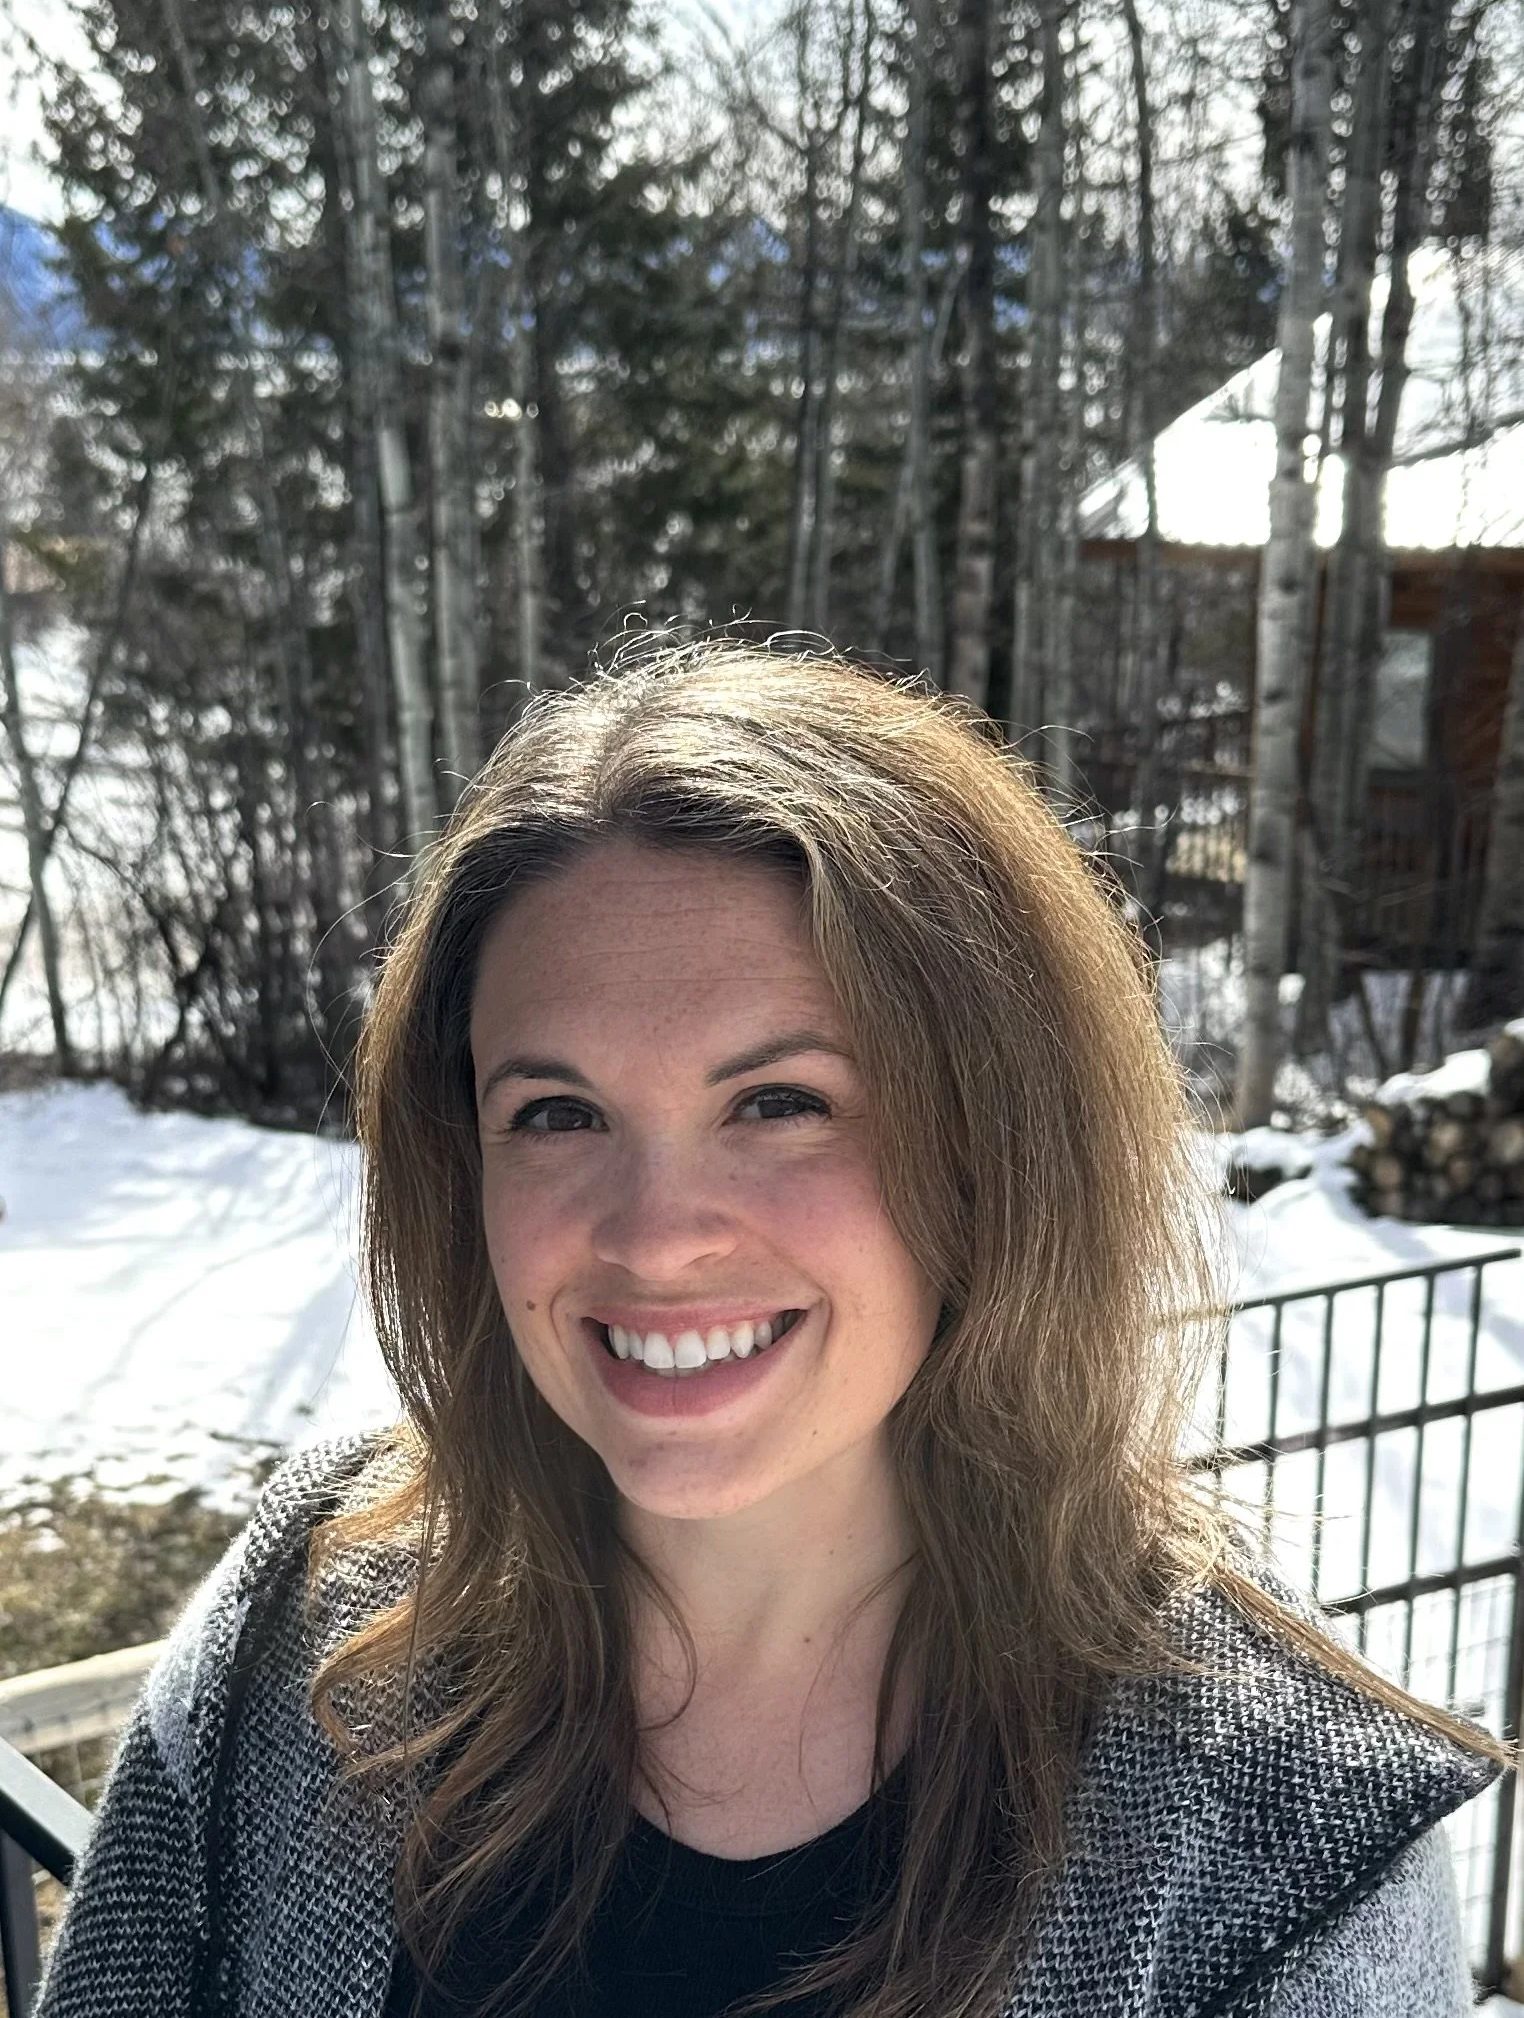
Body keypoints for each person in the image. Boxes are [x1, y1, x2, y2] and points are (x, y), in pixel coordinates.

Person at [37, 642, 1503, 2018]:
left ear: (998, 1147)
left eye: (781, 1102)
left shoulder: (1288, 1845)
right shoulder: (304, 1623)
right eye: (556, 1113)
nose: (654, 1234)